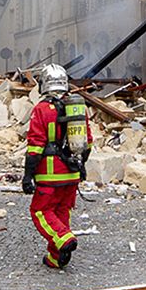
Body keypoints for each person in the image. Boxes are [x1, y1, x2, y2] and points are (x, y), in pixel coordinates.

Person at [22, 64, 92, 269]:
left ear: (44, 84)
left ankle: (64, 239)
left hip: (50, 174)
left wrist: (28, 175)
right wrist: (82, 167)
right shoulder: (77, 108)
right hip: (72, 172)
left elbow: (35, 147)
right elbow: (87, 142)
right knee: (61, 212)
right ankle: (56, 257)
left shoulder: (42, 109)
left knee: (40, 211)